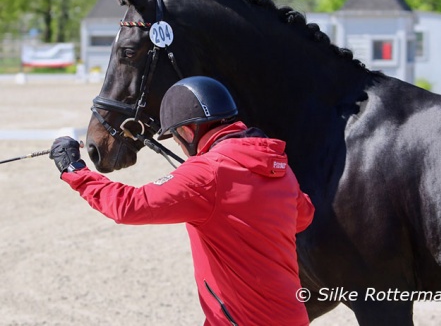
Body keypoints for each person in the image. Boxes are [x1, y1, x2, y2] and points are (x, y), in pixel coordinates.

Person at [50, 76, 315, 325]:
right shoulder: (279, 167)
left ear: (188, 132)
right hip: (292, 315)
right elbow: (303, 216)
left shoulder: (206, 173)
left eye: (176, 137)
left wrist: (75, 171)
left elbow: (129, 206)